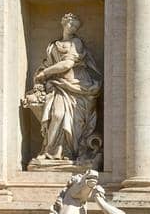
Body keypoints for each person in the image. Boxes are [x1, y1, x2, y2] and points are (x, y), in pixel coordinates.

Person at [24, 13, 102, 165]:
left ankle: (68, 153)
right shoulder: (53, 45)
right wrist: (40, 76)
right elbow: (47, 64)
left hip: (76, 87)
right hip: (57, 86)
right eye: (70, 24)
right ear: (63, 23)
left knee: (69, 120)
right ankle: (50, 152)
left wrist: (45, 73)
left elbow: (67, 64)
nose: (72, 28)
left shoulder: (76, 43)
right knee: (57, 115)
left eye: (75, 26)